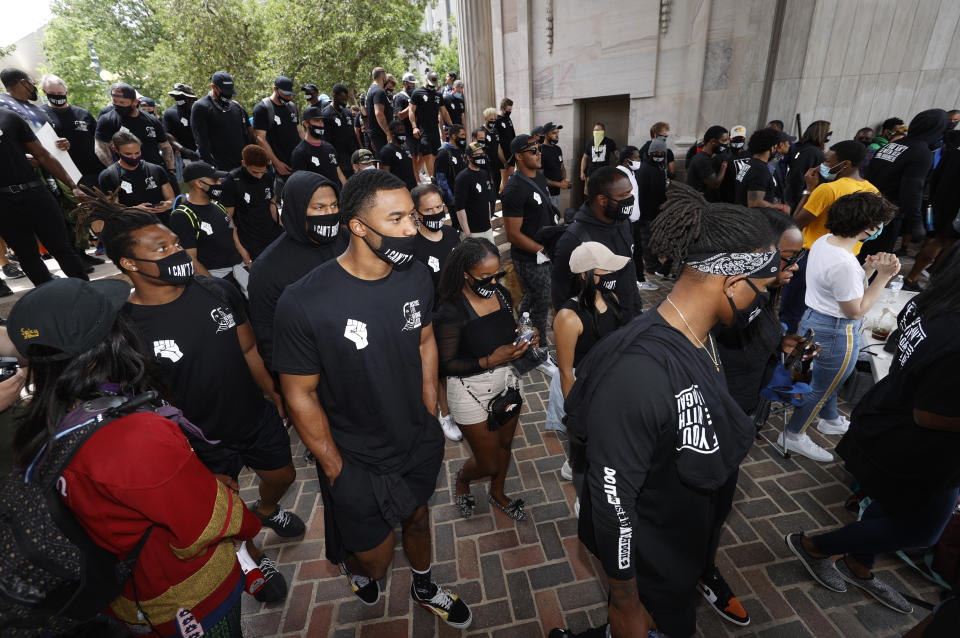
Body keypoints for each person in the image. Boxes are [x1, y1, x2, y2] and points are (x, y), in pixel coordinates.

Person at [564, 182, 779, 638]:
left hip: (679, 534)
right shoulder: (638, 372)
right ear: (734, 283)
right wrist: (624, 601)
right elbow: (611, 498)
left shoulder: (701, 335)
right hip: (649, 557)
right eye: (763, 289)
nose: (764, 302)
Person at [7, 278, 263, 636]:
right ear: (108, 345)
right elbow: (205, 523)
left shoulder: (40, 419)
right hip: (185, 599)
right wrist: (240, 515)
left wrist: (187, 482)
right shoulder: (133, 438)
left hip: (125, 591)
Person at [274, 169, 472, 627]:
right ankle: (352, 559)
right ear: (358, 226)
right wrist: (334, 468)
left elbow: (424, 341)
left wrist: (428, 409)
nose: (411, 227)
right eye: (398, 218)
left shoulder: (417, 275)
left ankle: (424, 585)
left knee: (419, 521)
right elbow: (299, 392)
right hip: (355, 457)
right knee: (377, 563)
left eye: (411, 216)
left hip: (415, 440)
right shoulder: (303, 301)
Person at [78, 202, 297, 603]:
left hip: (253, 417)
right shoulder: (122, 329)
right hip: (196, 444)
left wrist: (273, 394)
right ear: (128, 262)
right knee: (221, 510)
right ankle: (251, 554)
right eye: (161, 249)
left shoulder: (218, 290)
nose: (176, 252)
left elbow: (248, 349)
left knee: (284, 476)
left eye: (176, 242)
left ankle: (263, 509)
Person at [787, 244, 960, 616]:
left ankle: (859, 564)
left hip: (888, 421)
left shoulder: (932, 302)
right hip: (915, 446)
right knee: (922, 530)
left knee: (889, 504)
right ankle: (815, 546)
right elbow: (930, 414)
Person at [704, 208, 805, 628]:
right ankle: (695, 572)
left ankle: (701, 564)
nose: (793, 267)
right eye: (785, 257)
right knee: (702, 504)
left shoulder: (761, 297)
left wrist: (781, 348)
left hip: (741, 418)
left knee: (718, 506)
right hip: (713, 425)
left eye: (798, 257)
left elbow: (753, 356)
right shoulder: (728, 306)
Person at [778, 192, 899, 462]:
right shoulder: (843, 262)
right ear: (866, 226)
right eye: (878, 224)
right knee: (821, 385)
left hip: (815, 319)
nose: (880, 229)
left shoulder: (825, 242)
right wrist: (884, 276)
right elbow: (855, 309)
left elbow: (839, 289)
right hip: (836, 330)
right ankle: (793, 434)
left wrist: (866, 270)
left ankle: (829, 419)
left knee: (831, 379)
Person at [436, 237, 531, 522]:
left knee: (504, 446)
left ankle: (497, 493)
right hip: (470, 391)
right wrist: (491, 359)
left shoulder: (500, 294)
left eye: (497, 274)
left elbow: (506, 330)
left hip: (508, 382)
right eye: (484, 277)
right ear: (465, 274)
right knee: (488, 461)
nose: (493, 282)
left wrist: (525, 336)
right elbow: (446, 364)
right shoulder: (450, 310)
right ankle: (464, 480)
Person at [546, 242, 630, 487]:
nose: (613, 276)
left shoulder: (611, 297)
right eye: (607, 271)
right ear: (585, 275)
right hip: (580, 386)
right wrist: (576, 415)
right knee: (584, 443)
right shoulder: (568, 317)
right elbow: (565, 372)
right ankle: (575, 467)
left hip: (608, 381)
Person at [248, 172, 345, 372]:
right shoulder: (267, 268)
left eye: (334, 205)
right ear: (296, 209)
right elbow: (269, 339)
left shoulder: (349, 240)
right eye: (319, 207)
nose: (330, 213)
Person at [781, 140, 879, 333]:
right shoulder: (873, 192)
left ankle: (787, 347)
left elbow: (796, 223)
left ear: (845, 164)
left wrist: (809, 189)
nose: (822, 165)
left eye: (827, 161)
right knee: (824, 308)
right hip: (847, 258)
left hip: (811, 258)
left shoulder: (827, 189)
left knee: (793, 309)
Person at [0, 109, 88, 286]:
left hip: (35, 193)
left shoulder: (8, 116)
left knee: (62, 248)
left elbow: (42, 154)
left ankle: (88, 293)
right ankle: (49, 300)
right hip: (3, 203)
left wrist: (73, 186)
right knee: (27, 255)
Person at [551, 165, 644, 317]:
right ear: (602, 199)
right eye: (624, 195)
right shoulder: (574, 239)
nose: (630, 199)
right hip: (599, 331)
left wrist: (636, 306)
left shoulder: (624, 223)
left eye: (630, 192)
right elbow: (561, 295)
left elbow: (629, 269)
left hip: (629, 320)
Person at [410, 183, 463, 443]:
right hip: (430, 317)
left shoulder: (452, 235)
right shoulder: (412, 245)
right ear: (417, 214)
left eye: (439, 207)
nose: (435, 214)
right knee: (439, 367)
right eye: (428, 210)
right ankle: (446, 411)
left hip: (456, 312)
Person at [862, 109, 950, 259]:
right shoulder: (922, 152)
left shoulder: (892, 145)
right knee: (873, 262)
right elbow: (912, 189)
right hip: (886, 217)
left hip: (865, 206)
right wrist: (916, 222)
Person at [167, 162, 251, 293]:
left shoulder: (219, 206)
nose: (219, 183)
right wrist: (213, 286)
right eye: (214, 180)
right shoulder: (182, 215)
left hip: (239, 271)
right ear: (199, 183)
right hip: (218, 278)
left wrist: (244, 256)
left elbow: (231, 230)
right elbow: (190, 258)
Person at [502, 134, 554, 341]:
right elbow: (513, 234)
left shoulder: (539, 178)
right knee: (540, 304)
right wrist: (541, 251)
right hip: (530, 258)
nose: (539, 153)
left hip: (544, 252)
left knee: (535, 299)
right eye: (533, 151)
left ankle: (525, 336)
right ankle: (537, 347)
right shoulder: (514, 189)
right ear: (519, 156)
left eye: (539, 149)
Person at [905, 128, 960, 289]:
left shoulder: (953, 150)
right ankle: (933, 284)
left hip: (939, 204)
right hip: (956, 210)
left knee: (937, 241)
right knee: (948, 246)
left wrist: (934, 200)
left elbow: (935, 177)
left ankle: (911, 279)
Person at [95, 83, 174, 177]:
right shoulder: (107, 120)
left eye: (122, 103)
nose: (117, 105)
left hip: (154, 172)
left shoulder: (151, 120)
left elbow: (165, 146)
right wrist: (116, 171)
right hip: (127, 175)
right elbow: (100, 148)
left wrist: (171, 170)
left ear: (135, 102)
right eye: (115, 101)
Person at [218, 144, 282, 260]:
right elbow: (228, 219)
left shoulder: (267, 176)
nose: (259, 176)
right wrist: (240, 249)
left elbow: (271, 204)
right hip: (250, 240)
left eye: (262, 172)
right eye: (255, 172)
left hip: (272, 234)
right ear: (244, 164)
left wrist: (284, 227)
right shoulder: (231, 182)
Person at [40, 74, 103, 187]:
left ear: (66, 92)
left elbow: (100, 140)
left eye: (60, 93)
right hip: (66, 176)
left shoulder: (83, 113)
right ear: (44, 92)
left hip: (95, 171)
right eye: (52, 94)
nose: (57, 96)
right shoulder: (40, 115)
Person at [98, 131, 175, 222]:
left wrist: (167, 205)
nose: (134, 157)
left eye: (137, 153)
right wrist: (135, 210)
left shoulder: (156, 170)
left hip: (162, 225)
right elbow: (112, 209)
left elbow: (171, 199)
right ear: (116, 149)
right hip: (132, 228)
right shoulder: (109, 176)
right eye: (128, 154)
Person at [615, 146, 658, 291]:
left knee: (637, 251)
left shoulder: (630, 172)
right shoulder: (621, 174)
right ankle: (637, 280)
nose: (639, 160)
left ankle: (638, 278)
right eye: (636, 157)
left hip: (634, 220)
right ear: (627, 159)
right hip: (626, 221)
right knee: (631, 251)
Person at [191, 71, 254, 171]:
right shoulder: (201, 107)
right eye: (225, 91)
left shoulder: (236, 106)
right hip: (221, 169)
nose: (228, 95)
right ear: (213, 87)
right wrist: (213, 169)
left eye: (230, 91)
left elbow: (249, 134)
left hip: (243, 166)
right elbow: (202, 142)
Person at [253, 76, 301, 190]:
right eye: (285, 94)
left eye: (290, 94)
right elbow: (260, 139)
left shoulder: (292, 107)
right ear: (275, 89)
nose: (289, 97)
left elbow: (299, 131)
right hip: (279, 168)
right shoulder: (262, 108)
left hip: (297, 163)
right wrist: (277, 163)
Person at [635, 136, 671, 280]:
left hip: (657, 211)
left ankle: (653, 262)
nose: (659, 156)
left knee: (653, 240)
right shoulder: (645, 169)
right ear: (650, 153)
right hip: (647, 212)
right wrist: (642, 214)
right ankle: (650, 265)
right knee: (647, 240)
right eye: (656, 153)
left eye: (662, 154)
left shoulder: (660, 167)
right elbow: (641, 193)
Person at [734, 127, 790, 211]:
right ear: (772, 148)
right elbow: (754, 203)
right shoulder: (760, 169)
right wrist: (781, 207)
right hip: (751, 220)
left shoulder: (749, 164)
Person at [290, 105, 347, 186]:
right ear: (306, 124)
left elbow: (339, 174)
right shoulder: (299, 153)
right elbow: (300, 185)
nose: (321, 124)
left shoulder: (329, 148)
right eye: (317, 121)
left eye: (322, 121)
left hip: (337, 196)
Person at [410, 71, 452, 178]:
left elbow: (444, 111)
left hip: (435, 130)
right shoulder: (417, 93)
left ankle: (419, 177)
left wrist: (452, 126)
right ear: (426, 79)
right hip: (423, 130)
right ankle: (433, 179)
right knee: (427, 156)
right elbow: (411, 111)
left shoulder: (438, 94)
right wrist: (414, 127)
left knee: (436, 156)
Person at [785, 120, 831, 212]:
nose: (830, 134)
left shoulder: (804, 148)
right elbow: (798, 178)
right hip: (801, 199)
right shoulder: (811, 152)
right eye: (828, 131)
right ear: (820, 133)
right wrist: (800, 201)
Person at [454, 141, 496, 241]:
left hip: (487, 229)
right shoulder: (462, 178)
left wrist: (489, 221)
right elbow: (460, 208)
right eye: (477, 155)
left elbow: (487, 200)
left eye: (482, 154)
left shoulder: (484, 173)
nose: (481, 157)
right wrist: (467, 232)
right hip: (473, 232)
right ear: (469, 157)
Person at [322, 84, 360, 177]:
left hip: (352, 158)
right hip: (338, 160)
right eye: (342, 99)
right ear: (334, 96)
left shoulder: (347, 112)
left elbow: (353, 134)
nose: (344, 102)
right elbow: (326, 141)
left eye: (345, 100)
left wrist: (358, 152)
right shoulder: (326, 114)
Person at [685, 125, 729, 199]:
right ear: (713, 141)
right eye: (723, 140)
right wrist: (724, 165)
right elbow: (714, 185)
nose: (726, 144)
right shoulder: (702, 160)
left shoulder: (705, 157)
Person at [163, 82, 199, 168]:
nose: (179, 100)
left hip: (207, 154)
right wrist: (183, 150)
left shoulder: (200, 110)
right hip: (186, 158)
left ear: (191, 98)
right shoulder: (170, 113)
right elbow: (169, 135)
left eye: (183, 97)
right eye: (177, 97)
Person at [394, 73, 423, 177]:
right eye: (411, 84)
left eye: (414, 84)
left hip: (419, 130)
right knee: (413, 157)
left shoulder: (414, 95)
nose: (413, 86)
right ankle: (416, 179)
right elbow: (400, 115)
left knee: (424, 154)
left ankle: (416, 175)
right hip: (407, 131)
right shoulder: (399, 97)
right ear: (405, 83)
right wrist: (411, 104)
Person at [379, 120, 418, 190]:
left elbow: (412, 169)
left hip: (412, 188)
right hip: (398, 190)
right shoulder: (386, 150)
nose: (402, 133)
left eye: (403, 130)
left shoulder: (407, 148)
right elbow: (385, 175)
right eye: (399, 130)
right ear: (391, 133)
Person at [540, 121, 571, 210]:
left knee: (556, 216)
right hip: (546, 194)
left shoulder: (558, 149)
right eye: (554, 133)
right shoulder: (541, 150)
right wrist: (558, 184)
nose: (557, 136)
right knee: (549, 219)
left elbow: (562, 167)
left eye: (558, 133)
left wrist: (564, 181)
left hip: (557, 192)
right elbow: (540, 177)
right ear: (546, 135)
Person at [435, 124, 466, 208]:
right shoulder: (443, 153)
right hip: (454, 199)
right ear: (454, 136)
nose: (464, 137)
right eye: (462, 135)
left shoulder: (460, 150)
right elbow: (441, 179)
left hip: (465, 196)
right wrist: (450, 198)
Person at [580, 122, 617, 188]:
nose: (595, 132)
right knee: (590, 194)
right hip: (591, 174)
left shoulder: (609, 142)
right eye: (594, 130)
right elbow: (584, 158)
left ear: (603, 131)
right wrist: (582, 171)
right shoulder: (589, 143)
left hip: (605, 174)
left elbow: (616, 153)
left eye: (598, 130)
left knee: (604, 194)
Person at [365, 67, 393, 151]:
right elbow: (379, 114)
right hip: (381, 134)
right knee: (386, 162)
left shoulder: (371, 89)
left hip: (376, 134)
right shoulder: (378, 91)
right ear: (383, 77)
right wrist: (388, 133)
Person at [482, 108, 506, 193]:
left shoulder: (495, 131)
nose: (493, 122)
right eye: (491, 120)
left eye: (495, 120)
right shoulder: (480, 132)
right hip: (487, 165)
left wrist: (504, 161)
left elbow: (498, 146)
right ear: (485, 119)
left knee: (497, 184)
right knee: (490, 187)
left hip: (496, 163)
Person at [495, 98, 516, 185]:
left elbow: (513, 135)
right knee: (505, 180)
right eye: (508, 110)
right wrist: (503, 160)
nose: (510, 112)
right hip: (503, 155)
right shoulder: (497, 120)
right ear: (503, 109)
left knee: (511, 178)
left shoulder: (508, 119)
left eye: (511, 110)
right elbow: (497, 142)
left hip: (511, 153)